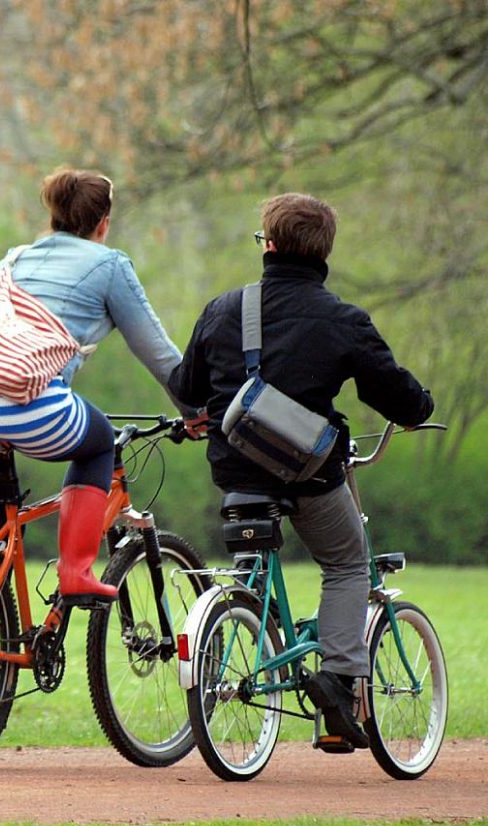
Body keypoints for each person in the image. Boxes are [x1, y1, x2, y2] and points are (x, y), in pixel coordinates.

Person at [168, 192, 433, 749]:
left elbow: (188, 389)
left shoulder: (223, 309)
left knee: (255, 556)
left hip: (235, 472)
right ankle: (337, 682)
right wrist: (420, 409)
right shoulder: (341, 319)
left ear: (269, 243)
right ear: (324, 251)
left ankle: (246, 617)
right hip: (306, 473)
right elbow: (397, 395)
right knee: (345, 561)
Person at [0, 167, 197, 721]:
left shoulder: (17, 258)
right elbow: (160, 354)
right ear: (102, 223)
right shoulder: (110, 265)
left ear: (52, 216)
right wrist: (196, 413)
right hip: (28, 404)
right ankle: (77, 569)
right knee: (98, 442)